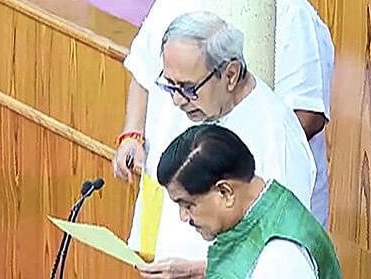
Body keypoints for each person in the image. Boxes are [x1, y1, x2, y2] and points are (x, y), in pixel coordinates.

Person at [113, 0, 333, 266]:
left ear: (230, 75)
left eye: (188, 88)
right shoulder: (207, 112)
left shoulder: (276, 138)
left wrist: (200, 271)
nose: (177, 101)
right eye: (170, 86)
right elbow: (142, 70)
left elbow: (277, 250)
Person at [137, 124, 341, 279]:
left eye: (188, 205)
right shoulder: (267, 203)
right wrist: (197, 271)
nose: (183, 217)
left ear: (225, 192)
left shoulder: (280, 256)